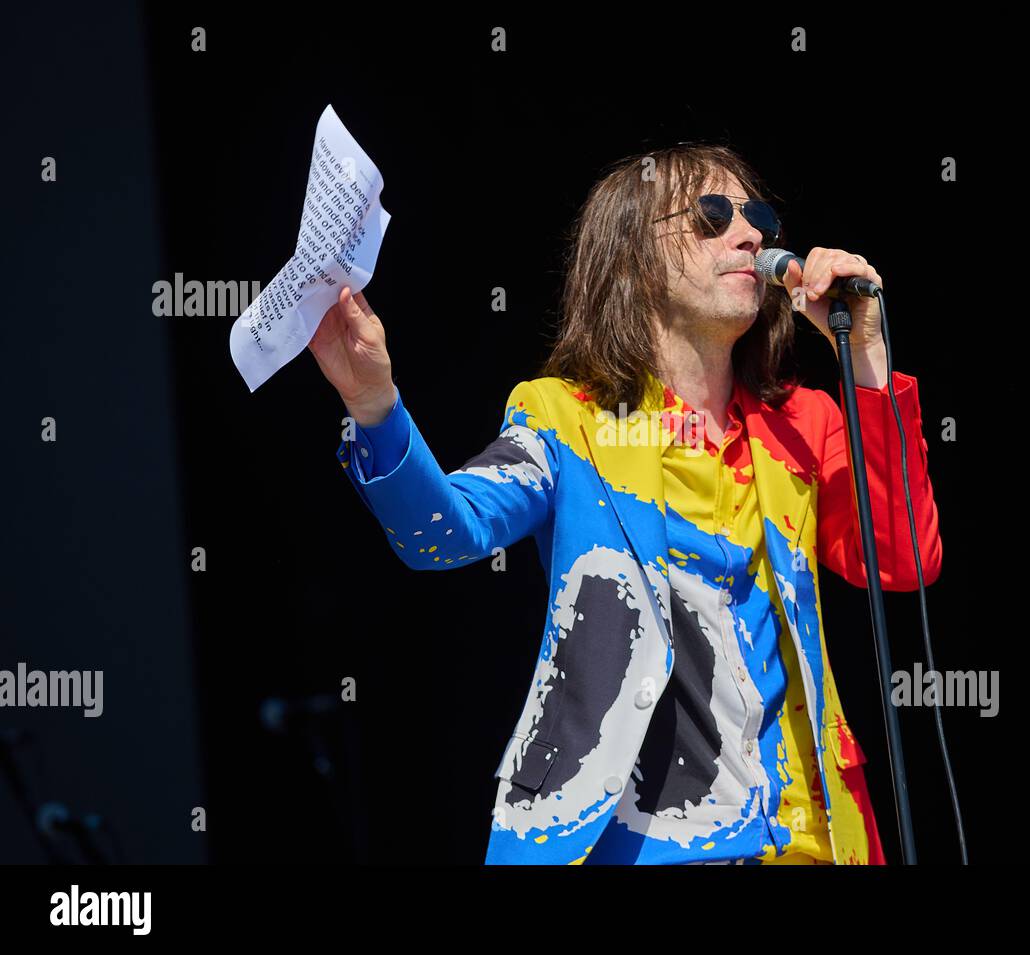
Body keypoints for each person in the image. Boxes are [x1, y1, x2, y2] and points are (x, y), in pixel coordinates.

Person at [309, 144, 943, 865]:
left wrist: (865, 358)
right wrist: (374, 404)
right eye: (710, 216)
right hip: (639, 848)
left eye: (756, 216)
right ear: (635, 260)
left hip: (809, 844)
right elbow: (443, 534)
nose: (748, 235)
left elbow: (904, 558)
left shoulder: (804, 423)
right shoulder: (566, 421)